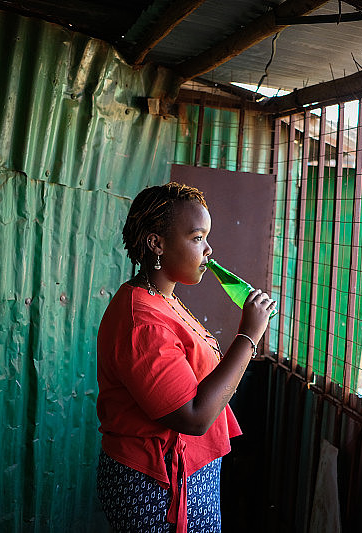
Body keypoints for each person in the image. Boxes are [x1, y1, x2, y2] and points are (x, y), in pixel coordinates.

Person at [95, 182, 275, 533]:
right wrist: (249, 336)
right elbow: (192, 418)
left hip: (185, 471)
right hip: (154, 485)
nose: (208, 250)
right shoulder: (142, 321)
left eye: (206, 237)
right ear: (156, 243)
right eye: (196, 238)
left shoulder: (164, 300)